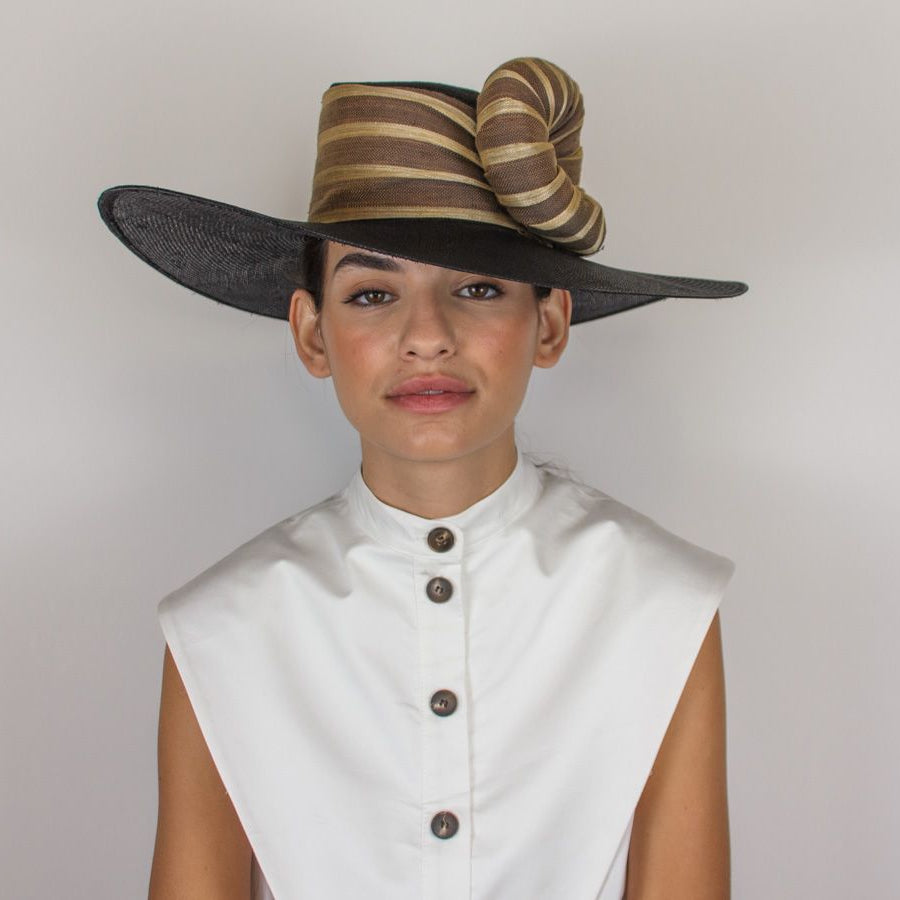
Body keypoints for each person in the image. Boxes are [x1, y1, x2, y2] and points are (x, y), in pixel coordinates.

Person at [98, 57, 747, 899]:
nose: (428, 335)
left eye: (478, 286)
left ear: (550, 322)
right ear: (313, 333)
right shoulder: (222, 629)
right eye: (373, 294)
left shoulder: (661, 600)